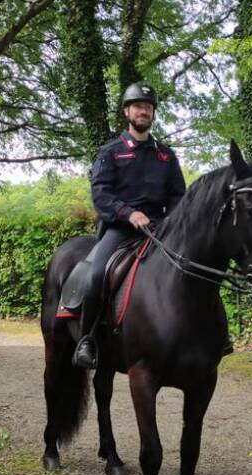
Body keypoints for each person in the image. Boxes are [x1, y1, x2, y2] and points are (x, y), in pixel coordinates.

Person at [72, 82, 186, 369]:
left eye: (148, 107)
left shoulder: (166, 155)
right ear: (127, 112)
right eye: (138, 106)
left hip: (160, 229)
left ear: (153, 114)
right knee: (96, 274)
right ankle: (87, 340)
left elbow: (178, 196)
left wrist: (171, 221)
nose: (143, 111)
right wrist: (128, 213)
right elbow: (101, 194)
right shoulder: (110, 152)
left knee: (190, 264)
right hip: (121, 229)